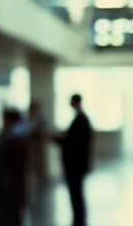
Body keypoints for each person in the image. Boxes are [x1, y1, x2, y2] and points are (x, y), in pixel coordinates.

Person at [53, 94, 93, 226]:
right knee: (76, 194)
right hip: (76, 164)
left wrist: (56, 138)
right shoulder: (80, 119)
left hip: (75, 165)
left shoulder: (81, 120)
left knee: (76, 194)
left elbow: (72, 142)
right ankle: (78, 219)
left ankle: (79, 220)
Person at [0, 108, 26, 226]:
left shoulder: (13, 137)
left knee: (8, 213)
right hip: (5, 181)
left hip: (7, 181)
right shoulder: (8, 135)